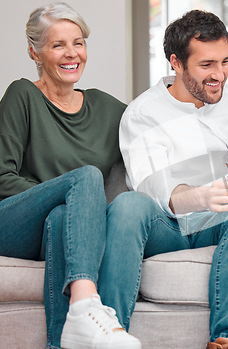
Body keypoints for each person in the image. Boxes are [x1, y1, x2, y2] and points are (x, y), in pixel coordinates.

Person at [114, 10, 228, 349]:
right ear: (177, 63)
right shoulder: (143, 113)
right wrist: (202, 195)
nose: (220, 75)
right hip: (168, 228)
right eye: (207, 65)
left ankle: (227, 339)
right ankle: (110, 331)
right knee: (128, 205)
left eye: (225, 62)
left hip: (218, 220)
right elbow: (152, 187)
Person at [0, 3, 141, 349]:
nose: (71, 53)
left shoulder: (105, 109)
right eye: (58, 45)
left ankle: (63, 342)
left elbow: (153, 126)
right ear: (34, 51)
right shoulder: (23, 94)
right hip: (14, 221)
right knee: (84, 179)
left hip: (60, 229)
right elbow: (2, 176)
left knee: (65, 216)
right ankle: (85, 303)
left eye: (78, 43)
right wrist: (60, 194)